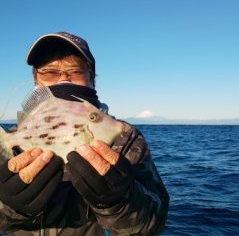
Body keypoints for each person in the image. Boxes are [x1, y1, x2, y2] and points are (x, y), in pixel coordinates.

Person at [0, 32, 169, 236]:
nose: (63, 79)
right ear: (36, 81)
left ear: (92, 79)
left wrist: (120, 202)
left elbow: (154, 223)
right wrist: (9, 207)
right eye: (50, 73)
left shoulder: (126, 138)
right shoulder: (12, 143)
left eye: (75, 71)